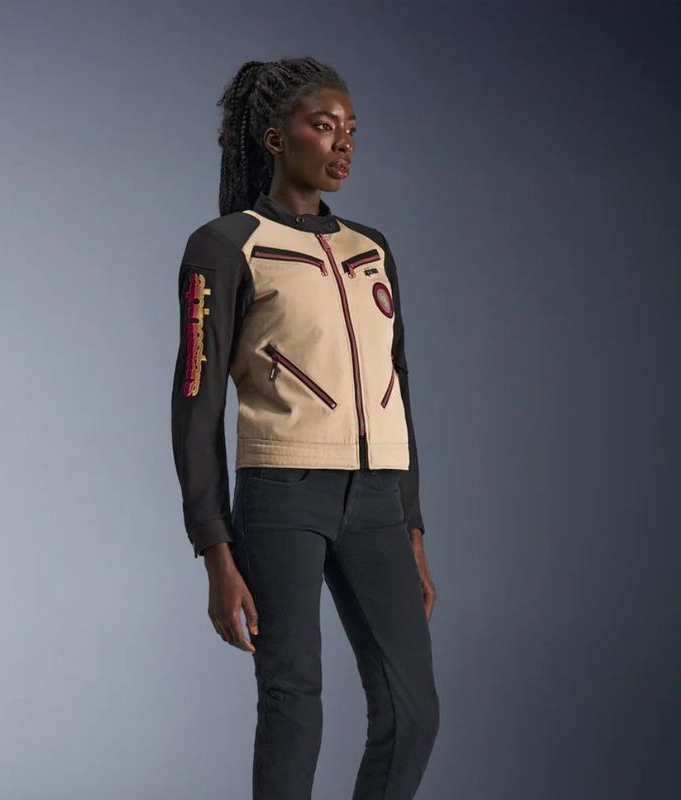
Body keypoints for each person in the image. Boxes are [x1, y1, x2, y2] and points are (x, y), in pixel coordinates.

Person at [170, 56, 439, 800]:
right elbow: (195, 405)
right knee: (294, 708)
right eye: (324, 126)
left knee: (413, 712)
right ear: (274, 139)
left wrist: (413, 528)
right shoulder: (226, 245)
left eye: (351, 129)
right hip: (282, 495)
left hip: (379, 501)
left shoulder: (370, 248)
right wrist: (215, 552)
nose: (344, 142)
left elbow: (398, 389)